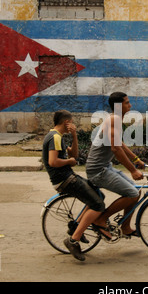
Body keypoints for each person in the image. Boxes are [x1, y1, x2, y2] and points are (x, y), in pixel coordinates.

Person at [42, 110, 105, 261]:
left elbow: (74, 155)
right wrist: (69, 162)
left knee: (99, 194)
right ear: (66, 123)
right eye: (72, 122)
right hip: (64, 180)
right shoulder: (54, 137)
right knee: (98, 204)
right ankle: (73, 240)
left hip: (68, 177)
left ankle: (77, 226)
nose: (73, 124)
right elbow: (53, 162)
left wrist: (74, 136)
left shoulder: (59, 137)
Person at [86, 92, 145, 238]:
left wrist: (136, 159)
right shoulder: (114, 119)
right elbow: (115, 149)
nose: (130, 105)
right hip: (98, 171)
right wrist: (133, 170)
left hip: (105, 167)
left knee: (136, 192)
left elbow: (120, 144)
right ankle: (101, 219)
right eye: (127, 102)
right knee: (132, 194)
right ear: (119, 106)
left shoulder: (114, 119)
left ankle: (125, 227)